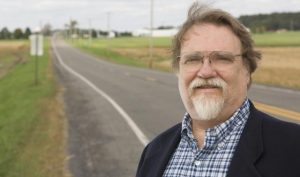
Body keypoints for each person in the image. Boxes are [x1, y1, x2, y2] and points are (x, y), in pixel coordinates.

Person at [136, 2, 300, 177]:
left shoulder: (294, 147)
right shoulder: (153, 152)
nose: (206, 71)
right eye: (193, 59)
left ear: (247, 71)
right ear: (178, 70)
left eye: (222, 58)